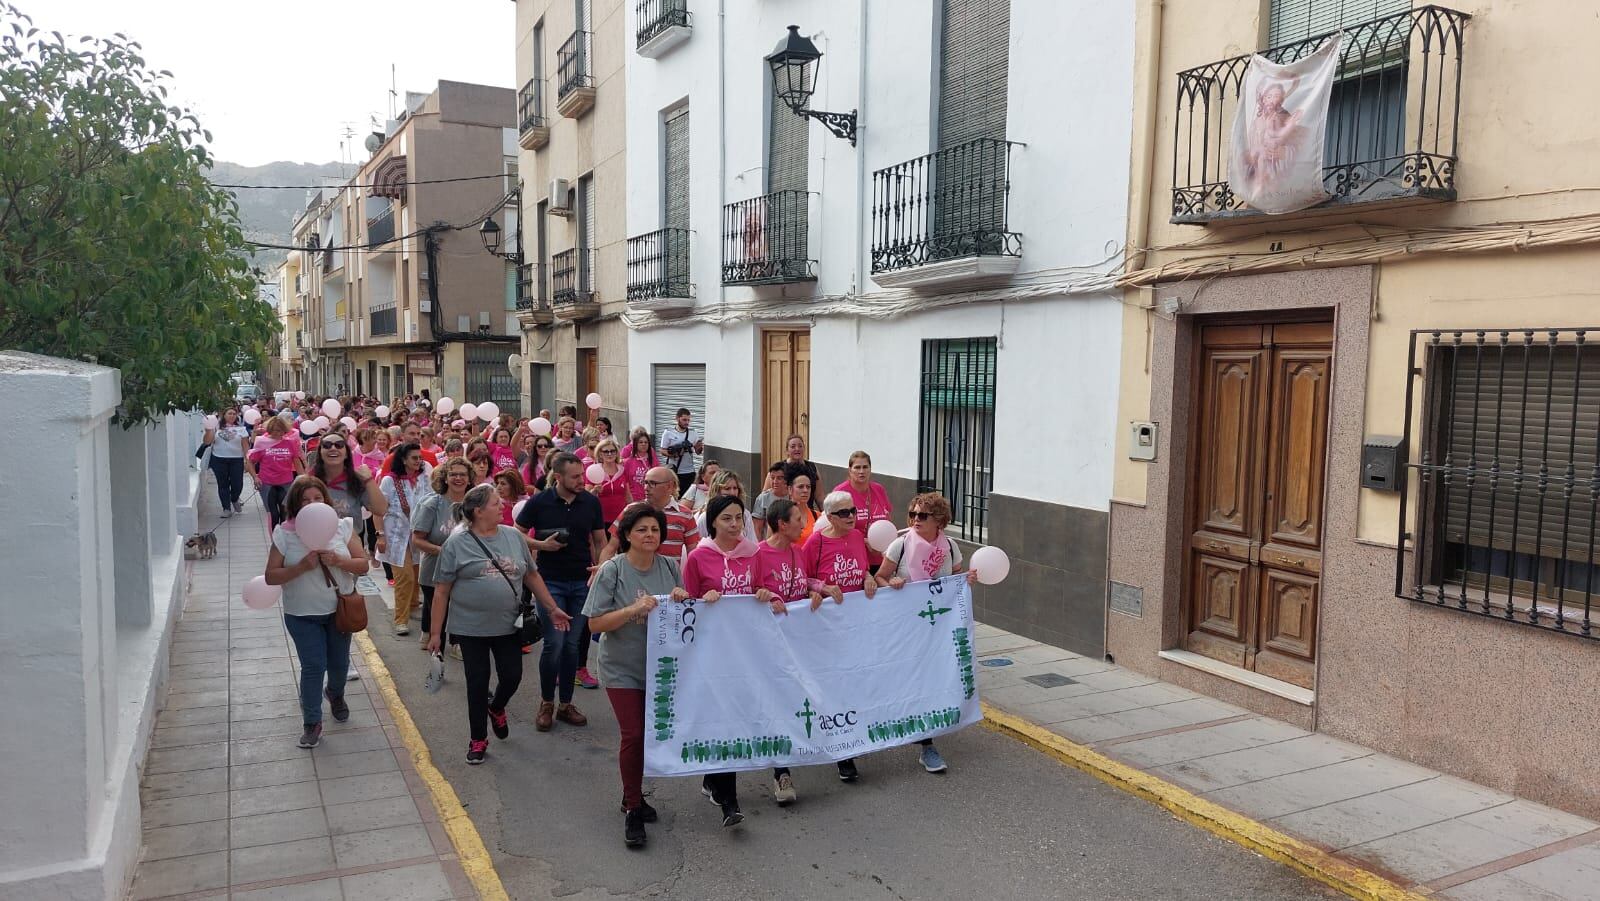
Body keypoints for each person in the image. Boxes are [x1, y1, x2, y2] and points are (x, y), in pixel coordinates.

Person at [427, 485, 570, 764]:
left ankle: (497, 707)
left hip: (508, 624)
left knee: (512, 676)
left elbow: (531, 575)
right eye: (495, 503)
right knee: (477, 683)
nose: (502, 505)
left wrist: (553, 608)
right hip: (470, 627)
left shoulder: (513, 536)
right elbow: (441, 590)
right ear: (479, 512)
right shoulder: (456, 543)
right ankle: (478, 738)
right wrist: (435, 634)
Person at [583, 503, 693, 847]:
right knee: (632, 734)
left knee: (648, 735)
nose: (650, 536)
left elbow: (681, 614)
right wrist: (632, 609)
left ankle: (633, 793)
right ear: (627, 534)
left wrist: (680, 598)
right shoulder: (612, 570)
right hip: (622, 667)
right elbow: (595, 623)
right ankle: (632, 808)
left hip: (659, 668)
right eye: (642, 529)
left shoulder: (671, 566)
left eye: (655, 530)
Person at [873, 492, 979, 775]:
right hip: (906, 626)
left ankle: (926, 745)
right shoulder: (901, 546)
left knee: (928, 681)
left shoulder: (950, 548)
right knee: (906, 679)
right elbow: (879, 577)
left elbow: (955, 581)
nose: (915, 520)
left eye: (923, 515)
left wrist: (966, 580)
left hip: (936, 628)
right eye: (913, 515)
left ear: (939, 521)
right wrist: (890, 581)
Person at [754, 499, 849, 805]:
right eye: (798, 519)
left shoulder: (797, 550)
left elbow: (801, 580)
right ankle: (781, 773)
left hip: (802, 641)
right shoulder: (758, 553)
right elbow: (749, 593)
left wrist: (818, 588)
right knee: (780, 705)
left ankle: (837, 751)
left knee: (813, 696)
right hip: (772, 644)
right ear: (782, 524)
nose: (803, 524)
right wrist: (767, 600)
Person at [264, 476, 368, 749]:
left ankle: (335, 693)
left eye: (317, 498)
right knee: (313, 666)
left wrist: (339, 560)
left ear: (326, 500)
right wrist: (301, 567)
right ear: (295, 504)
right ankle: (312, 722)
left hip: (339, 610)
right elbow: (271, 577)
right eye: (305, 499)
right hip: (301, 614)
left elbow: (363, 565)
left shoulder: (343, 527)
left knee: (339, 665)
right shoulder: (284, 533)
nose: (311, 504)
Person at [679, 493, 757, 828]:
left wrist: (767, 594)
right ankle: (730, 802)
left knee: (734, 719)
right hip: (712, 653)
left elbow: (767, 589)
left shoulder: (755, 553)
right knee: (722, 719)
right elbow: (687, 605)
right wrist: (701, 599)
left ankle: (714, 780)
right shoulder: (699, 557)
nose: (734, 524)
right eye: (726, 518)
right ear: (712, 522)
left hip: (746, 652)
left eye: (738, 517)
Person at [514, 452, 606, 731]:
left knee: (572, 646)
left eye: (582, 475)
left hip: (581, 583)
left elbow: (600, 539)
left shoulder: (590, 502)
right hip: (549, 583)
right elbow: (516, 532)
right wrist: (542, 546)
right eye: (575, 476)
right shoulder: (540, 502)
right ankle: (546, 702)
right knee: (554, 645)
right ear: (559, 476)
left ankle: (565, 704)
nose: (582, 480)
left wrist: (601, 569)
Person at [799, 490, 878, 784]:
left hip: (856, 626)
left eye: (853, 511)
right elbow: (801, 577)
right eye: (843, 513)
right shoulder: (816, 541)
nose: (850, 517)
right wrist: (822, 587)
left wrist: (868, 578)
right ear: (829, 517)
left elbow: (865, 570)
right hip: (826, 627)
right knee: (836, 685)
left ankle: (852, 738)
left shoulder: (858, 537)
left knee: (855, 682)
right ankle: (842, 753)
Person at [412, 457, 471, 652]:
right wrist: (444, 551)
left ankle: (458, 644)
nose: (458, 478)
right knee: (440, 618)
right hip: (434, 573)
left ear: (469, 479)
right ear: (445, 478)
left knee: (460, 613)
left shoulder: (474, 504)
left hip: (465, 571)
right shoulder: (433, 504)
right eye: (453, 474)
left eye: (463, 474)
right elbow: (417, 539)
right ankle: (437, 667)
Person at [596, 466, 700, 567]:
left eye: (652, 483)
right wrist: (601, 568)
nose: (646, 488)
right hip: (633, 578)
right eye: (645, 483)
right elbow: (611, 547)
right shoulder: (631, 510)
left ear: (670, 486)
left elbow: (693, 553)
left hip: (669, 579)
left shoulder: (686, 515)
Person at [379, 443, 430, 637]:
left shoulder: (424, 478)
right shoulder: (389, 481)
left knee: (417, 574)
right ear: (403, 460)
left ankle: (413, 606)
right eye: (414, 458)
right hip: (397, 535)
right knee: (404, 576)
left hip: (419, 534)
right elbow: (378, 509)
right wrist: (380, 535)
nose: (418, 461)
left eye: (420, 458)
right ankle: (400, 619)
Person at [308, 430, 388, 542]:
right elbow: (292, 517)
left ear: (346, 453)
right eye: (326, 445)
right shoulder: (307, 481)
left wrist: (369, 480)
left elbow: (381, 510)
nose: (333, 448)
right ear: (320, 452)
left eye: (339, 445)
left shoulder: (356, 480)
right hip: (316, 543)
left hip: (351, 545)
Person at [836, 451, 894, 567]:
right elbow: (835, 528)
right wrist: (863, 541)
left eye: (865, 467)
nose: (861, 471)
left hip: (880, 558)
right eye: (857, 467)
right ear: (850, 470)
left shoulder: (878, 489)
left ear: (870, 469)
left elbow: (888, 518)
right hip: (853, 559)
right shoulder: (841, 493)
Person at [247, 416, 303, 529]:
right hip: (267, 483)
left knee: (285, 513)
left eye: (281, 430)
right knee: (272, 514)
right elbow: (250, 462)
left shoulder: (290, 443)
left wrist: (303, 478)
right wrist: (255, 477)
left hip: (286, 482)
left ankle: (284, 537)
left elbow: (296, 462)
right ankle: (274, 540)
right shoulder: (261, 442)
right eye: (275, 430)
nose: (278, 433)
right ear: (270, 429)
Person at [588, 437, 645, 528]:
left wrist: (634, 511)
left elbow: (627, 495)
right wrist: (595, 491)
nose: (610, 454)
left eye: (612, 451)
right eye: (606, 451)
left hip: (620, 519)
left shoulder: (622, 470)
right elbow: (587, 498)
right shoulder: (594, 471)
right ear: (600, 454)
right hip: (599, 519)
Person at [204, 408, 251, 517]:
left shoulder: (241, 429)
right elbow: (207, 441)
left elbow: (245, 446)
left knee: (237, 484)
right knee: (223, 484)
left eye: (234, 414)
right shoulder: (216, 428)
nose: (232, 415)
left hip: (237, 460)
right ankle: (226, 508)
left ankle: (234, 499)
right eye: (229, 413)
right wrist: (209, 431)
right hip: (219, 459)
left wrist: (247, 461)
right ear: (223, 415)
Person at [694, 469, 757, 542]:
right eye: (727, 489)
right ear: (716, 491)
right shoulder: (705, 516)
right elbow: (697, 545)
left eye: (735, 488)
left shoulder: (745, 515)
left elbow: (752, 543)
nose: (732, 493)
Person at [660, 407, 704, 496]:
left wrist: (700, 447)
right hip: (674, 471)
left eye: (688, 420)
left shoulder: (693, 433)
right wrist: (674, 454)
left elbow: (698, 452)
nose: (687, 422)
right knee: (674, 496)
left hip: (689, 472)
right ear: (677, 418)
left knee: (688, 496)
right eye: (684, 420)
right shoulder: (668, 433)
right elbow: (662, 450)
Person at [751, 462, 789, 540]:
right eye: (772, 478)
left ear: (787, 480)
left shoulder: (793, 496)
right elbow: (757, 528)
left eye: (779, 478)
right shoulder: (763, 498)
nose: (775, 481)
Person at [783, 462, 820, 542]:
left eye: (808, 487)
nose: (805, 490)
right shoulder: (781, 516)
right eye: (800, 487)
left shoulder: (817, 516)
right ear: (790, 489)